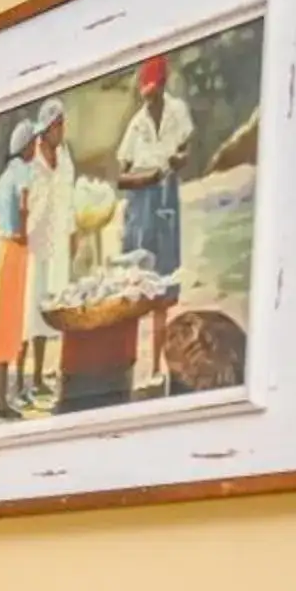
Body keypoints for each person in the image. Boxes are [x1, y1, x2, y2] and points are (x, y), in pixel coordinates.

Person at [118, 53, 195, 387]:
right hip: (141, 203)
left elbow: (187, 149)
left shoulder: (177, 112)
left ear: (163, 86)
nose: (149, 100)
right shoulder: (137, 124)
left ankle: (156, 366)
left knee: (163, 283)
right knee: (139, 281)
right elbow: (122, 173)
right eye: (144, 95)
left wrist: (177, 161)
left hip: (166, 198)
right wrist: (142, 179)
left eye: (154, 93)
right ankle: (133, 364)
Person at [24, 98, 76, 403]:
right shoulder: (34, 163)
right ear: (45, 130)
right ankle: (34, 373)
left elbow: (68, 195)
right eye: (57, 126)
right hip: (37, 243)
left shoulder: (65, 157)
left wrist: (72, 230)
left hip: (59, 240)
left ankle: (59, 368)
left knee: (61, 302)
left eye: (62, 125)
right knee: (35, 308)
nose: (61, 131)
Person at [0, 117, 36, 419]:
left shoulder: (3, 177)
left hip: (1, 249)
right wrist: (25, 234)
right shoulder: (23, 173)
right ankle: (2, 399)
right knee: (11, 322)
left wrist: (4, 232)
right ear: (26, 147)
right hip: (15, 249)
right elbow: (25, 207)